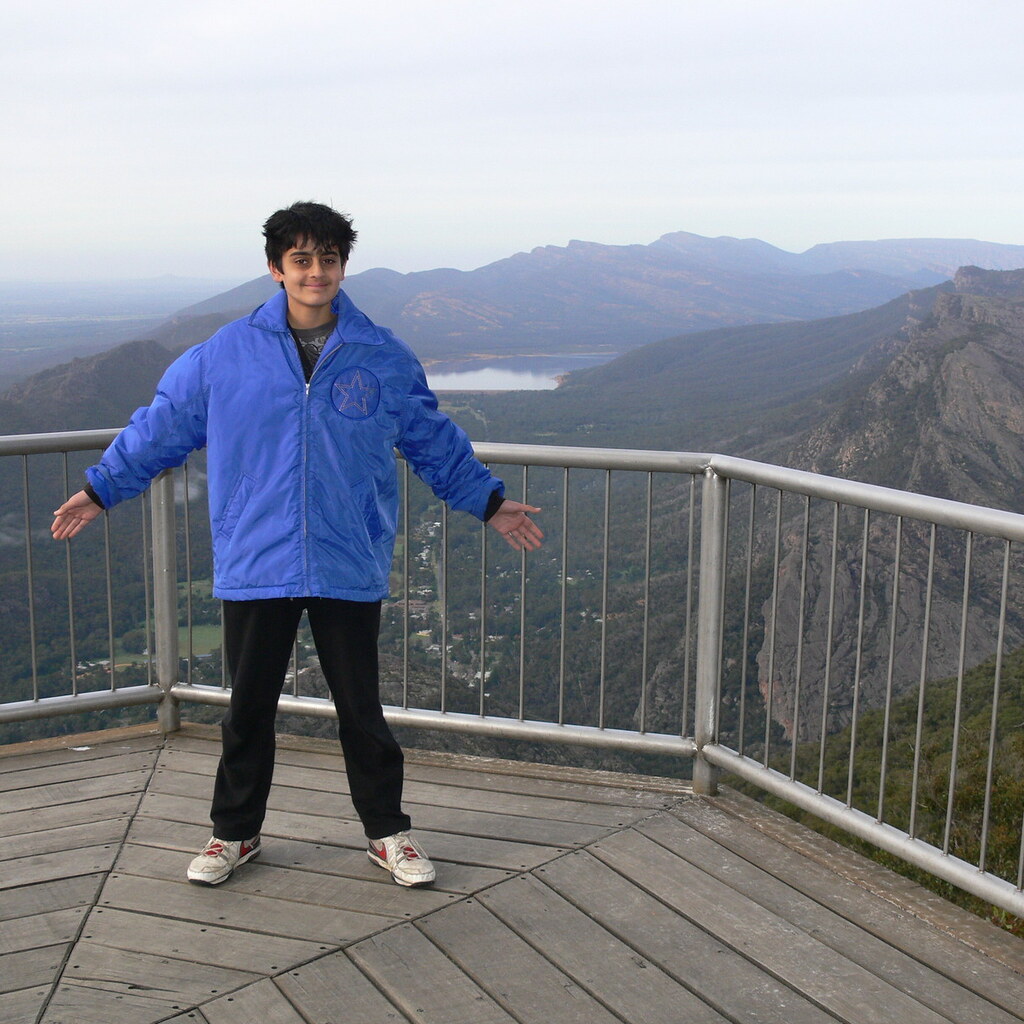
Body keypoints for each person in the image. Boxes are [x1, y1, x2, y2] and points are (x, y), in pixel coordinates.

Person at [51, 201, 543, 888]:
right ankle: (234, 834)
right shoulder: (225, 354)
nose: (317, 272)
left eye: (329, 259)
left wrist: (486, 500)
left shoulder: (381, 354)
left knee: (361, 711)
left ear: (343, 265)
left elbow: (432, 439)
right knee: (248, 709)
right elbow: (161, 427)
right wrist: (102, 487)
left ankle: (388, 833)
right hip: (258, 558)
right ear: (276, 267)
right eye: (302, 260)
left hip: (347, 556)